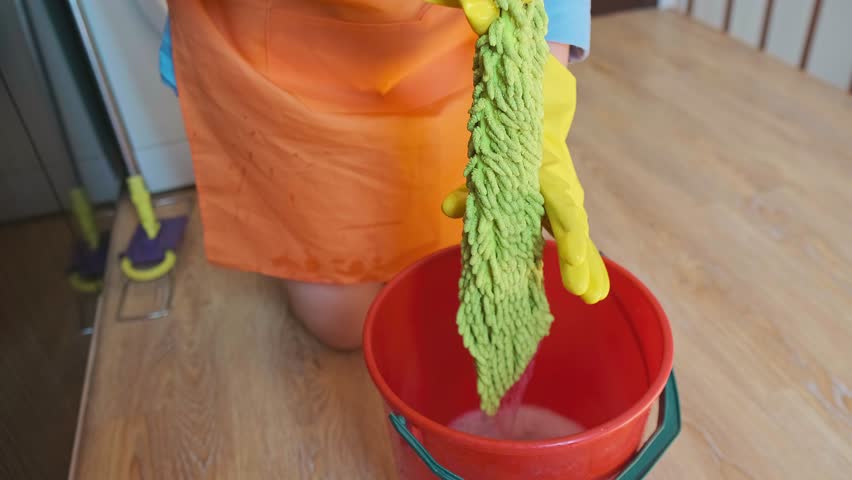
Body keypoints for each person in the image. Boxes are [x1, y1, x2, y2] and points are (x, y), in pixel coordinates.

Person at [161, 0, 592, 350]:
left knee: (444, 287)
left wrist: (533, 106)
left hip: (441, 66)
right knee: (345, 327)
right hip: (284, 79)